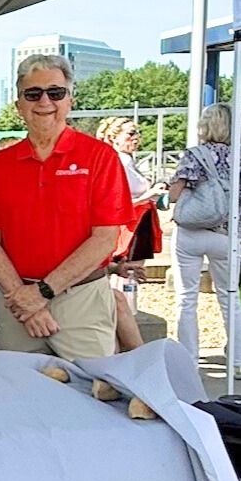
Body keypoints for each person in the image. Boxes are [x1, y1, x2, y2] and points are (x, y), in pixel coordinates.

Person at [0, 54, 132, 361]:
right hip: (17, 299)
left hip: (80, 297)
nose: (45, 101)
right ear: (19, 105)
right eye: (33, 93)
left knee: (91, 395)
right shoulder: (0, 164)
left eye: (55, 92)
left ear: (70, 100)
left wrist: (41, 293)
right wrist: (24, 300)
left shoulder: (100, 157)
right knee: (22, 396)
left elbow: (104, 240)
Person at [169, 102, 241, 370]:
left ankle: (189, 360)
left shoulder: (194, 155)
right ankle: (237, 359)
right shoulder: (239, 157)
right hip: (226, 234)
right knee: (229, 297)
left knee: (186, 298)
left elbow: (175, 194)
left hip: (190, 232)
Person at [95, 117, 158, 352]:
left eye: (137, 132)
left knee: (127, 278)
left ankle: (124, 329)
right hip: (128, 225)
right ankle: (124, 338)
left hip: (137, 222)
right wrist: (150, 193)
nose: (136, 137)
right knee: (123, 278)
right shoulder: (117, 161)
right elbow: (116, 201)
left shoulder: (127, 161)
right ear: (114, 137)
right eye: (130, 133)